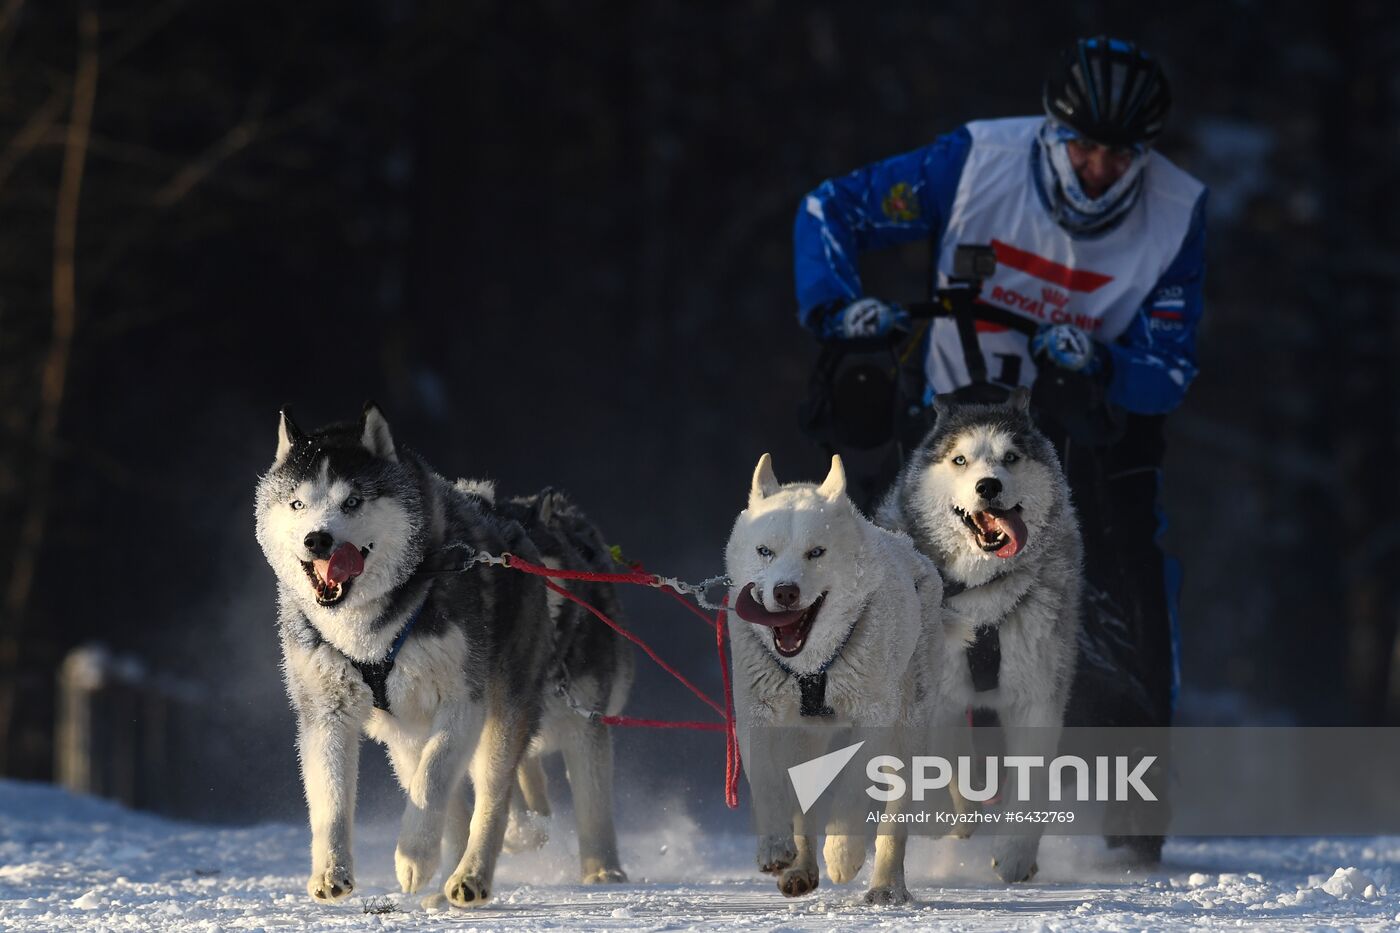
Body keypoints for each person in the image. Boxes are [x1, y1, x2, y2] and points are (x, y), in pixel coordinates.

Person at [792, 36, 1207, 862]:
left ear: (1144, 157)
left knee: (1127, 581)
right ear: (1053, 132)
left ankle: (1130, 833)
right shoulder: (977, 160)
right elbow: (827, 208)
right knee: (871, 571)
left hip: (1093, 435)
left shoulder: (1178, 211)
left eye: (1117, 156)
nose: (1096, 169)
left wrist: (1104, 360)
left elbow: (1170, 366)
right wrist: (842, 307)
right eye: (1083, 147)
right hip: (950, 425)